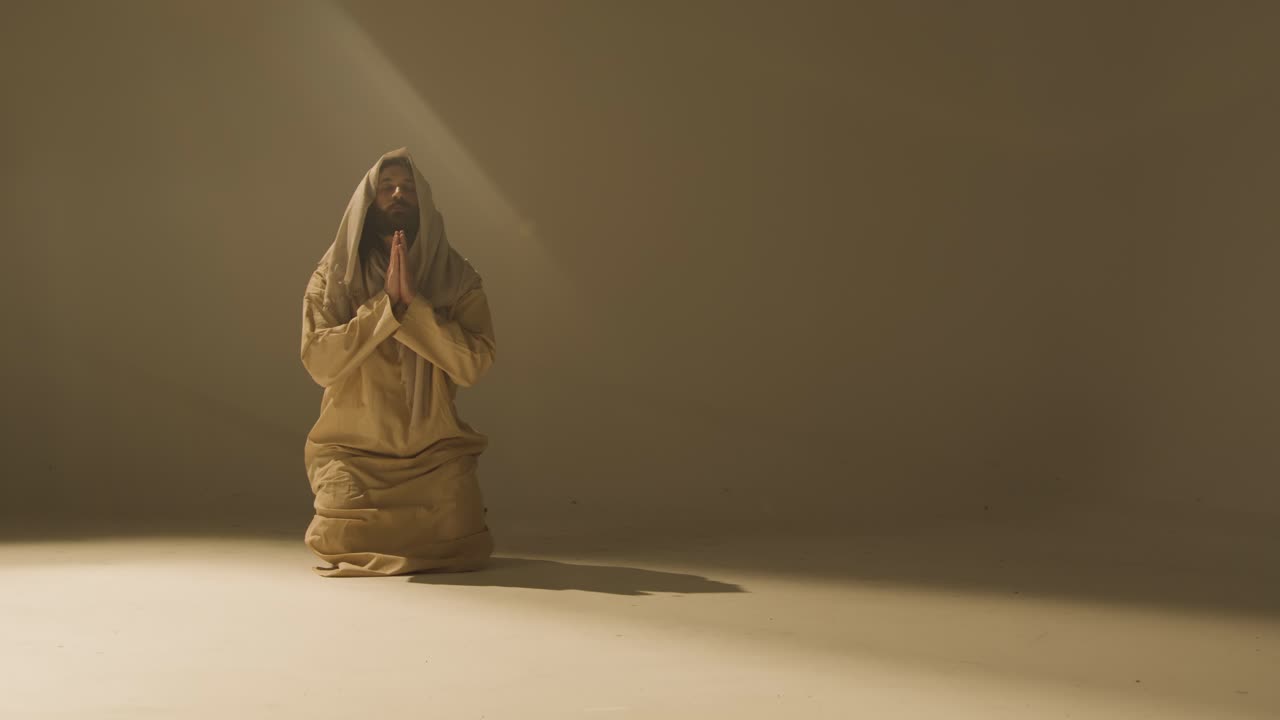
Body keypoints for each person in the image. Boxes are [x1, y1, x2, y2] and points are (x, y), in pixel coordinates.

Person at [299, 147, 496, 577]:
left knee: (458, 526)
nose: (397, 194)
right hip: (353, 452)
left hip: (434, 455)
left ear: (423, 201)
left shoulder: (456, 276)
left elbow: (475, 364)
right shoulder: (333, 276)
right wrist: (386, 308)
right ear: (369, 201)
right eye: (387, 187)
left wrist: (415, 309)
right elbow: (319, 362)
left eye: (407, 187)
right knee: (338, 532)